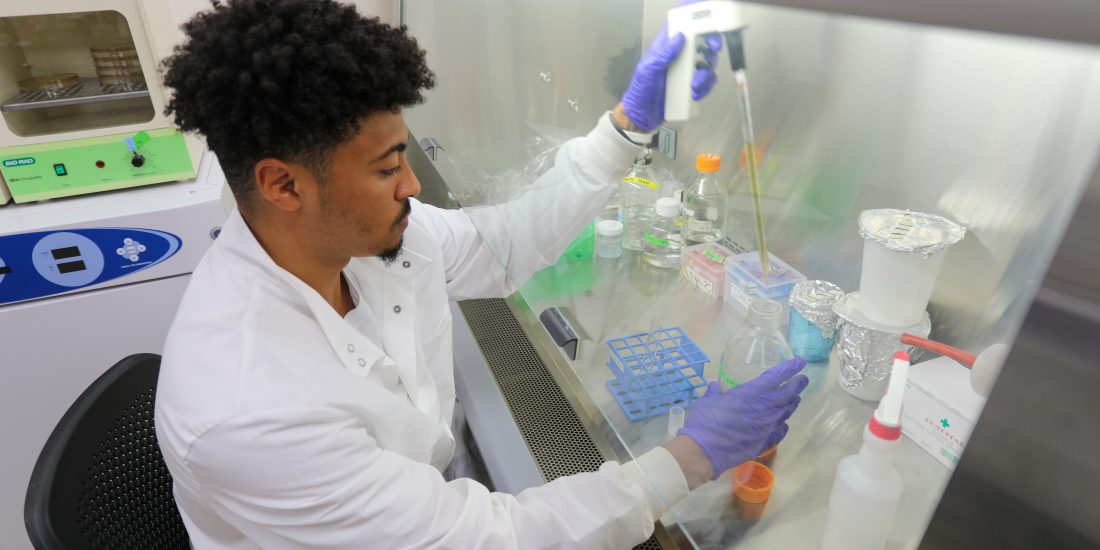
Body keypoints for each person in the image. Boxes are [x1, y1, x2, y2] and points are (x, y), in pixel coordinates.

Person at [154, 0, 809, 548]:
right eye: (386, 168)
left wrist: (626, 127)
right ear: (283, 185)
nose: (412, 185)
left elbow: (503, 245)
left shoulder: (358, 239)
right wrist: (690, 457)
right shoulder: (247, 411)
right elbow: (486, 540)